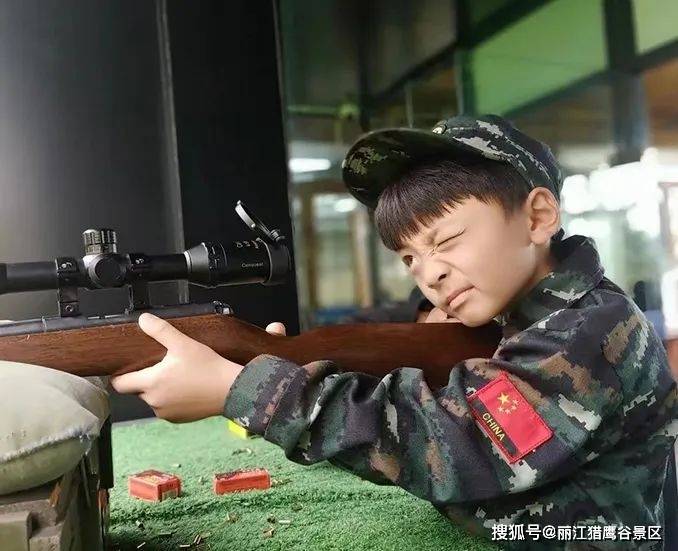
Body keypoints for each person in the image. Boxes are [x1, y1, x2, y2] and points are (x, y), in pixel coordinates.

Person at [111, 115, 677, 550]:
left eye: (446, 240)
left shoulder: (590, 329)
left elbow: (458, 445)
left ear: (536, 218)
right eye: (409, 257)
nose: (429, 273)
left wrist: (249, 390)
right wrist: (279, 363)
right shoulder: (525, 320)